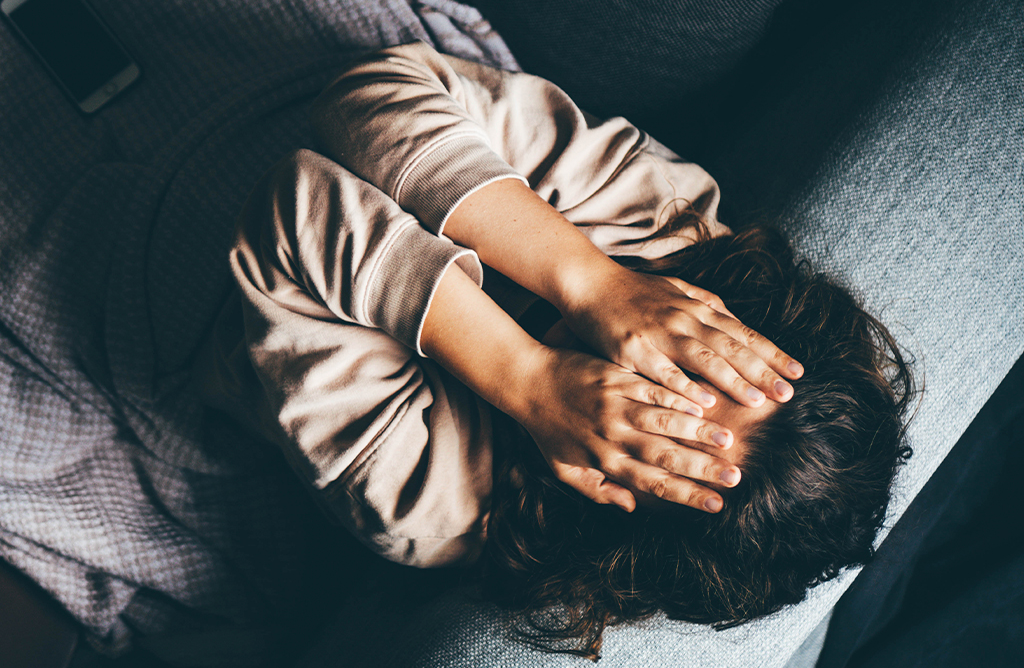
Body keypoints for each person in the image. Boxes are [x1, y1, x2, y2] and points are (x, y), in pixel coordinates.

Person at [195, 41, 911, 657]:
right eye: (687, 368)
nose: (624, 362)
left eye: (652, 419)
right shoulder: (674, 237)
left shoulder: (432, 506)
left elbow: (295, 203)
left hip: (211, 294)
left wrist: (525, 376)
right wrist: (593, 281)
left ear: (621, 499)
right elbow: (369, 93)